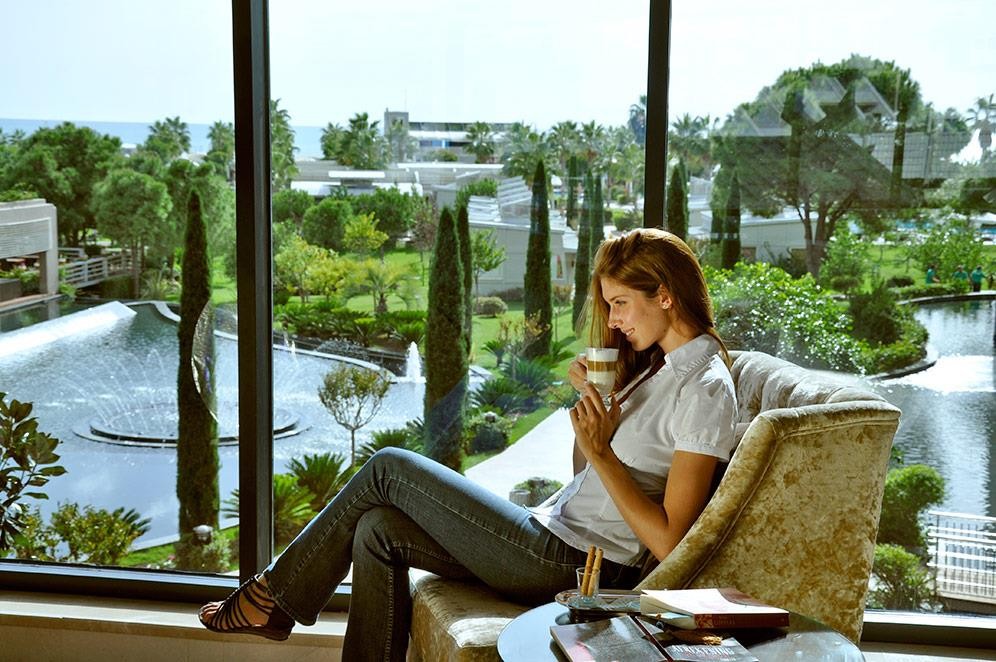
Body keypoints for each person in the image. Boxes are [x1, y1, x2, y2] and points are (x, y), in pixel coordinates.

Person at [198, 228, 737, 661]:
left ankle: (272, 596)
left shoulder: (705, 387)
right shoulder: (655, 371)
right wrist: (597, 419)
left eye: (620, 303)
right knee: (377, 528)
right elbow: (587, 477)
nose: (613, 321)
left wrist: (602, 452)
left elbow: (669, 542)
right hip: (554, 534)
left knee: (388, 467)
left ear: (664, 294)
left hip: (579, 563)